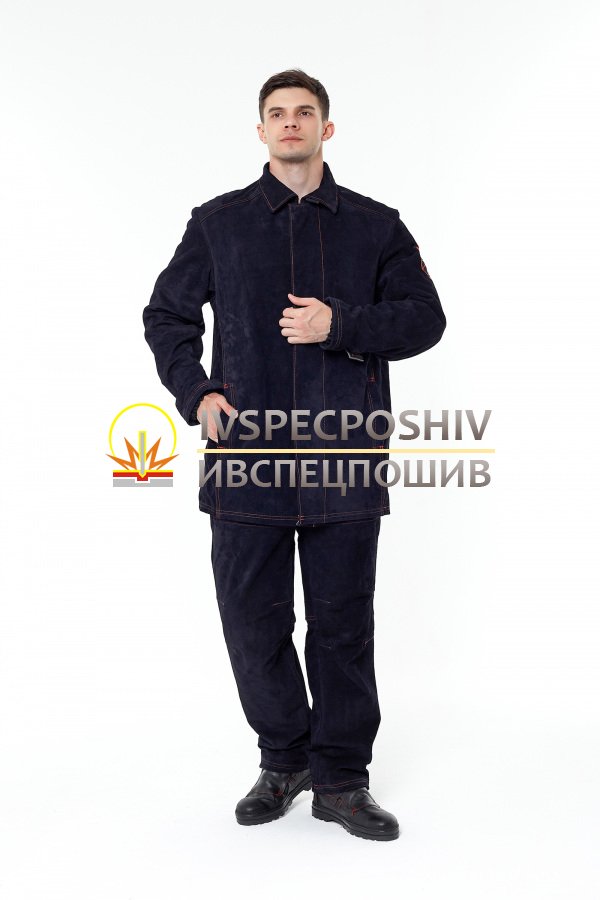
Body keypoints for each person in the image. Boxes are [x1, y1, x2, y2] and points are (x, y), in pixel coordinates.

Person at [142, 68, 446, 842]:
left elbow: (425, 318)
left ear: (325, 129)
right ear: (261, 130)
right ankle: (284, 759)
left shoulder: (376, 226)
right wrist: (196, 393)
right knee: (253, 623)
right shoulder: (219, 223)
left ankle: (341, 779)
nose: (290, 123)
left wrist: (339, 324)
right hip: (247, 460)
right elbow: (167, 314)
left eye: (304, 112)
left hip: (345, 458)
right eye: (276, 113)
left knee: (342, 627)